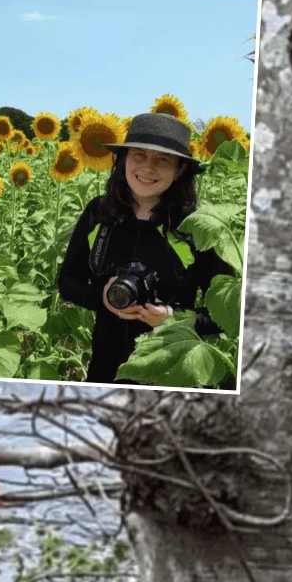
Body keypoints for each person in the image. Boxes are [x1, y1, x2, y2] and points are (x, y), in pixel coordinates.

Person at [57, 113, 235, 385]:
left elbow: (224, 315)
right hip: (106, 366)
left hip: (170, 368)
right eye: (139, 155)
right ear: (124, 160)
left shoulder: (196, 228)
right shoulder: (100, 213)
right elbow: (68, 282)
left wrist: (174, 319)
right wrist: (101, 297)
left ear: (180, 170)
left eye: (162, 159)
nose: (148, 168)